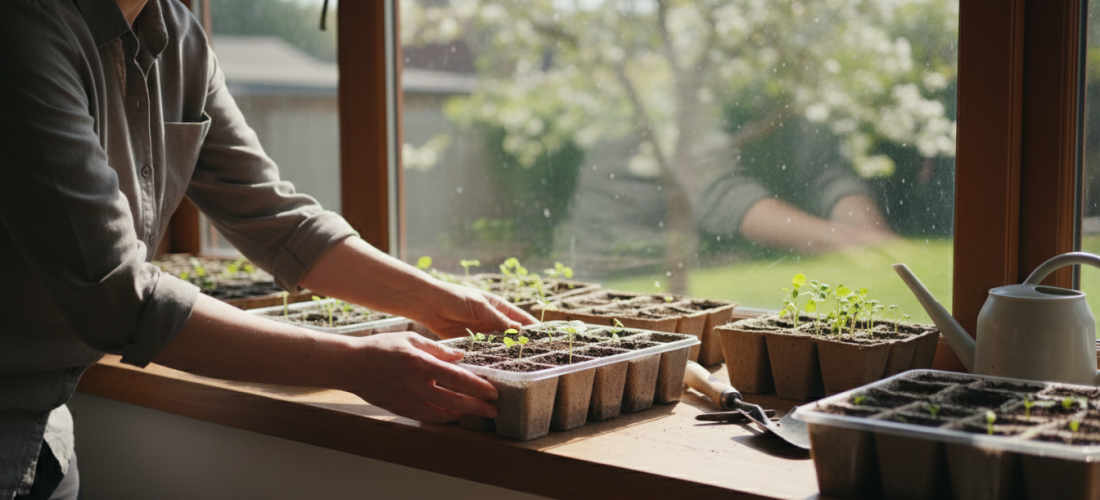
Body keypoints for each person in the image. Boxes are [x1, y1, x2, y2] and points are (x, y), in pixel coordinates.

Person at [0, 0, 535, 498]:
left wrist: (438, 300)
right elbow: (117, 296)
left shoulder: (179, 39)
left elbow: (278, 221)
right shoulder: (25, 31)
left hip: (48, 436)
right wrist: (354, 365)